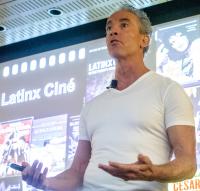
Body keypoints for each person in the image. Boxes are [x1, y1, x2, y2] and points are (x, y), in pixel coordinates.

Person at [21, 4, 196, 191]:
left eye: (124, 25)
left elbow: (188, 164)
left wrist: (153, 172)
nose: (113, 32)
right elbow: (77, 172)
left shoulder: (168, 90)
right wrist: (44, 182)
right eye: (109, 28)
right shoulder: (92, 107)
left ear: (144, 40)